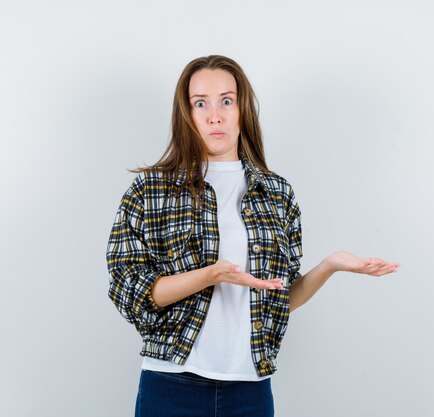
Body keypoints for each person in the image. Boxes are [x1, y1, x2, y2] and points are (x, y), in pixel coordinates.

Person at [105, 54, 400, 417]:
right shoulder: (152, 190)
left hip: (250, 390)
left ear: (242, 108)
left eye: (226, 101)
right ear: (186, 113)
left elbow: (279, 298)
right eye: (201, 103)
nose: (215, 115)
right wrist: (212, 274)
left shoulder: (277, 193)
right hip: (172, 385)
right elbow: (129, 292)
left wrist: (331, 264)